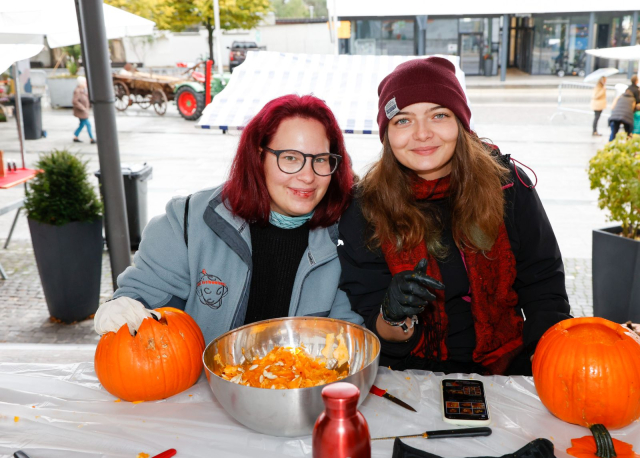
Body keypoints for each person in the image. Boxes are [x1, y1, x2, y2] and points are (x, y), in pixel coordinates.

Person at [337, 57, 571, 376]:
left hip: (508, 367)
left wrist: (547, 359)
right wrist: (391, 315)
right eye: (403, 120)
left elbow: (543, 282)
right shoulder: (365, 207)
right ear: (387, 133)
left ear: (460, 122)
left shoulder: (508, 185)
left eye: (439, 115)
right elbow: (375, 333)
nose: (422, 134)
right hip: (410, 375)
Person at [93, 94, 363, 344]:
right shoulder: (186, 222)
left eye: (321, 160)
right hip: (197, 392)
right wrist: (124, 308)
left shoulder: (345, 237)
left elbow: (350, 332)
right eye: (290, 158)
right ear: (258, 157)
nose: (307, 176)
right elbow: (140, 298)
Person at [72, 76, 96, 144]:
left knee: (82, 124)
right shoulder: (77, 91)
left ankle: (75, 136)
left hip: (84, 111)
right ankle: (92, 138)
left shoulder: (84, 90)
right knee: (88, 124)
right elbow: (74, 101)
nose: (86, 83)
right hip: (81, 112)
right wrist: (83, 108)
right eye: (85, 82)